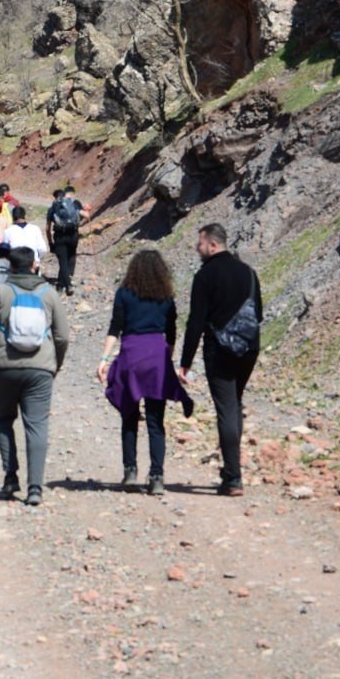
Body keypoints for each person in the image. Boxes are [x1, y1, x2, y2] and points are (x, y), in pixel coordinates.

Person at [0, 245, 69, 508]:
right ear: (35, 266)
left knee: (2, 419)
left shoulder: (0, 292)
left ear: (11, 267)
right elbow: (63, 336)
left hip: (3, 367)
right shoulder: (49, 294)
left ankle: (11, 476)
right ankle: (35, 487)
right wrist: (54, 364)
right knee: (36, 425)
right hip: (40, 370)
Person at [97, 250, 193, 495]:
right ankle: (157, 476)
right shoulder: (166, 298)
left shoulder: (124, 294)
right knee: (155, 420)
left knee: (129, 415)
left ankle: (130, 471)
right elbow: (171, 334)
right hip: (156, 356)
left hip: (131, 354)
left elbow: (114, 329)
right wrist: (165, 358)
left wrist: (104, 359)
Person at [179, 223, 263, 497]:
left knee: (226, 407)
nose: (197, 247)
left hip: (221, 350)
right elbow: (258, 313)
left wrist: (186, 361)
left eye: (200, 243)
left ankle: (233, 478)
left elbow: (196, 322)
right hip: (250, 347)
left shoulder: (205, 275)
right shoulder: (249, 273)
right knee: (235, 402)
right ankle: (232, 471)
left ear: (212, 245)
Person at [46, 186, 86, 296]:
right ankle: (63, 282)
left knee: (62, 261)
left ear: (55, 197)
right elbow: (85, 215)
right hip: (73, 235)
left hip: (60, 236)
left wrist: (50, 243)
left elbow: (47, 228)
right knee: (71, 257)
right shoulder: (74, 204)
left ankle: (66, 285)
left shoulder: (52, 208)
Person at [3, 206, 48, 270]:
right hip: (32, 264)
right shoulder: (35, 229)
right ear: (24, 215)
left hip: (15, 265)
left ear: (12, 217)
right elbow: (42, 248)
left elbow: (5, 250)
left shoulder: (8, 231)